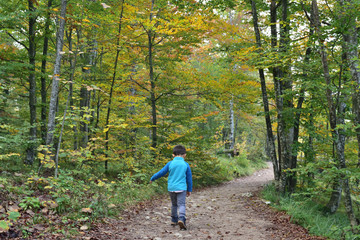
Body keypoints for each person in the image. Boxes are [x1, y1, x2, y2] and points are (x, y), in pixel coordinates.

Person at [149, 145, 193, 230]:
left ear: (173, 155)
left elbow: (161, 172)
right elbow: (189, 178)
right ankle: (181, 219)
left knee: (174, 204)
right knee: (181, 204)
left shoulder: (170, 163)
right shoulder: (185, 164)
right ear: (184, 155)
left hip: (172, 188)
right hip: (181, 188)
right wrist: (189, 189)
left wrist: (153, 178)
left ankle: (173, 219)